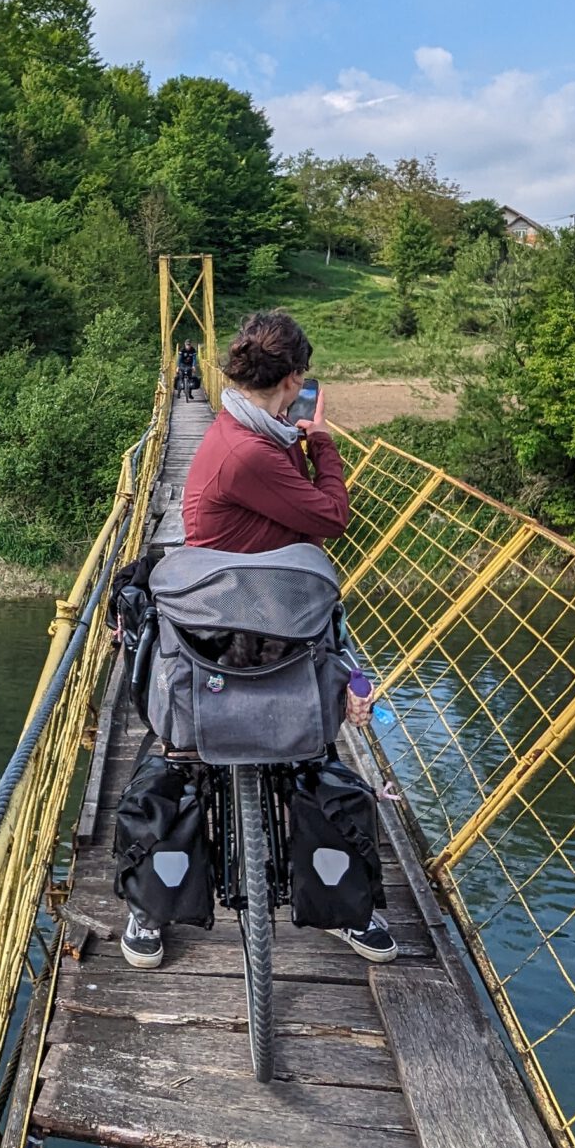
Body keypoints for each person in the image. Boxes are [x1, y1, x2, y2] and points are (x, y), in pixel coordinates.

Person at [121, 308, 395, 969]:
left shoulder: (241, 430)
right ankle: (342, 903)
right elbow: (332, 516)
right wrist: (322, 444)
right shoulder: (252, 451)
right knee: (304, 758)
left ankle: (149, 908)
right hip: (250, 622)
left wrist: (295, 445)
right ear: (294, 378)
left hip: (235, 612)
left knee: (187, 760)